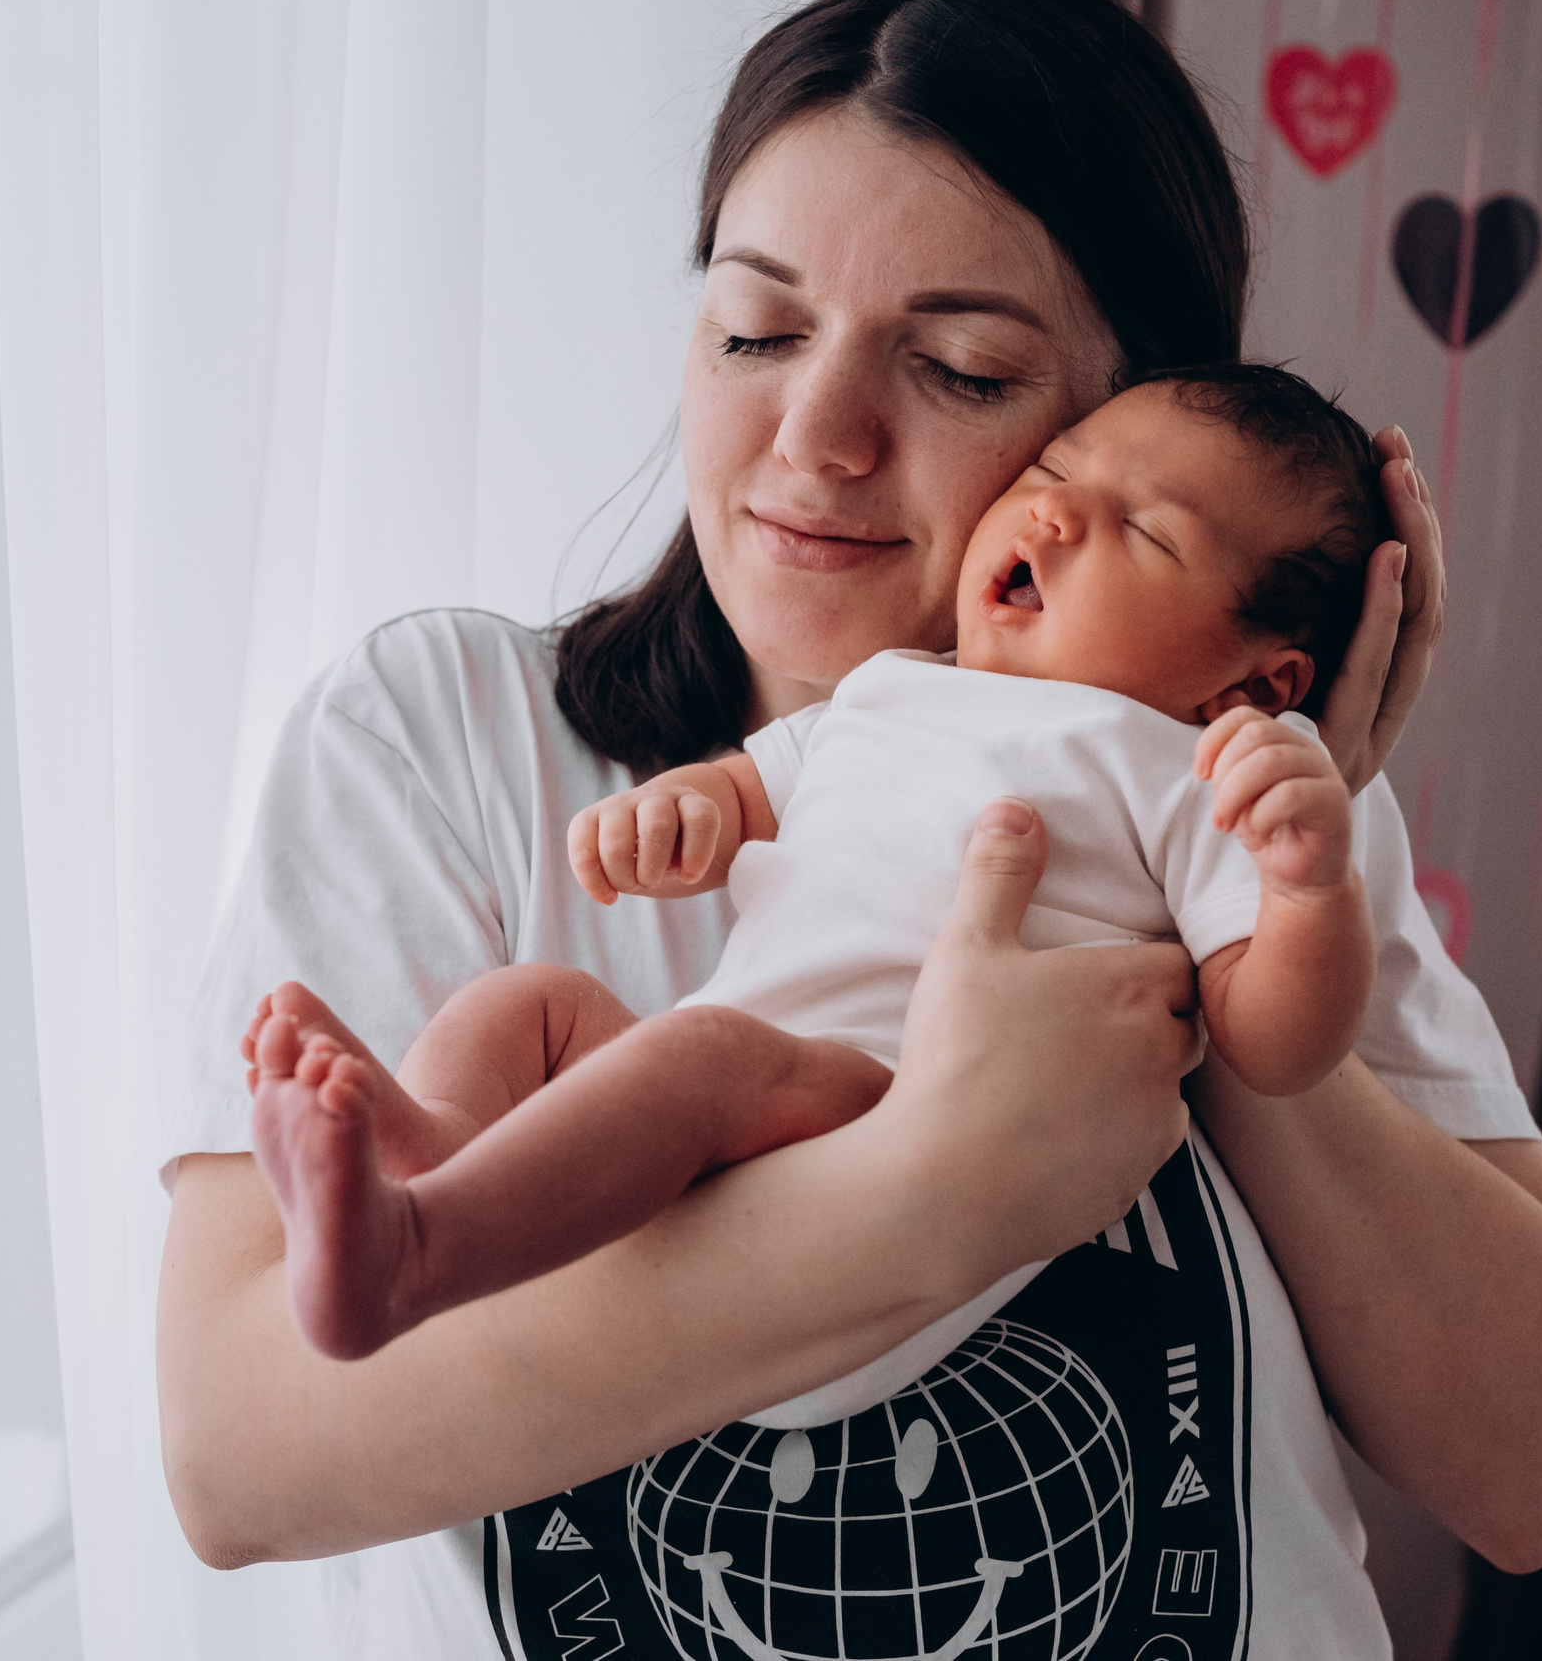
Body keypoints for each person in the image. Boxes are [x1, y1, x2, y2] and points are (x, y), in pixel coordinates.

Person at [157, 0, 1542, 1658]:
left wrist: (1206, 934)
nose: (817, 435)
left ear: (1144, 414)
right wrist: (934, 1189)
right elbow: (236, 1459)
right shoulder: (449, 736)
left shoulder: (1255, 798)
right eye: (756, 329)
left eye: (960, 368)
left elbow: (1532, 1470)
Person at [244, 364, 1393, 1367]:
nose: (1053, 513)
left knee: (698, 1051)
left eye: (1142, 529)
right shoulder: (894, 686)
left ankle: (420, 1254)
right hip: (756, 1094)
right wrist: (680, 814)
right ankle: (444, 1152)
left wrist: (1305, 889)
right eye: (1054, 469)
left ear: (1254, 685)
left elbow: (1273, 1043)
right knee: (533, 1007)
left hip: (884, 1110)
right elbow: (750, 792)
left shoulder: (1188, 769)